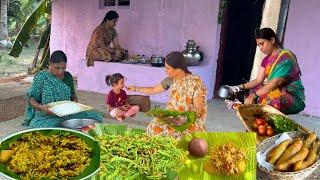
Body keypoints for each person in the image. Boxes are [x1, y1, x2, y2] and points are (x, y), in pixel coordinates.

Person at [127, 51, 207, 139]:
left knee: (179, 137)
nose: (165, 70)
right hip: (173, 116)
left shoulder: (195, 82)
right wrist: (135, 88)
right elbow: (153, 89)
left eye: (168, 68)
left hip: (189, 119)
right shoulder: (170, 80)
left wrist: (184, 119)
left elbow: (198, 107)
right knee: (154, 126)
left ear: (178, 69)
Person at [234, 28, 305, 114]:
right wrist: (238, 87)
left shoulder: (285, 57)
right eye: (258, 46)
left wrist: (254, 95)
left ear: (272, 40)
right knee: (253, 93)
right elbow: (258, 80)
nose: (260, 48)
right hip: (276, 92)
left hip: (292, 97)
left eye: (262, 44)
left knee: (266, 98)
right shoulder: (266, 60)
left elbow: (276, 83)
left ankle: (266, 124)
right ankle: (258, 125)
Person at [24, 50, 103, 127]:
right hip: (47, 115)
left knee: (96, 116)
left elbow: (73, 95)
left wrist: (75, 102)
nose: (61, 71)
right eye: (57, 68)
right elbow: (31, 98)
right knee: (46, 126)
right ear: (50, 64)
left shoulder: (68, 76)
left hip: (67, 113)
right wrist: (41, 107)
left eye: (63, 68)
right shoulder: (41, 77)